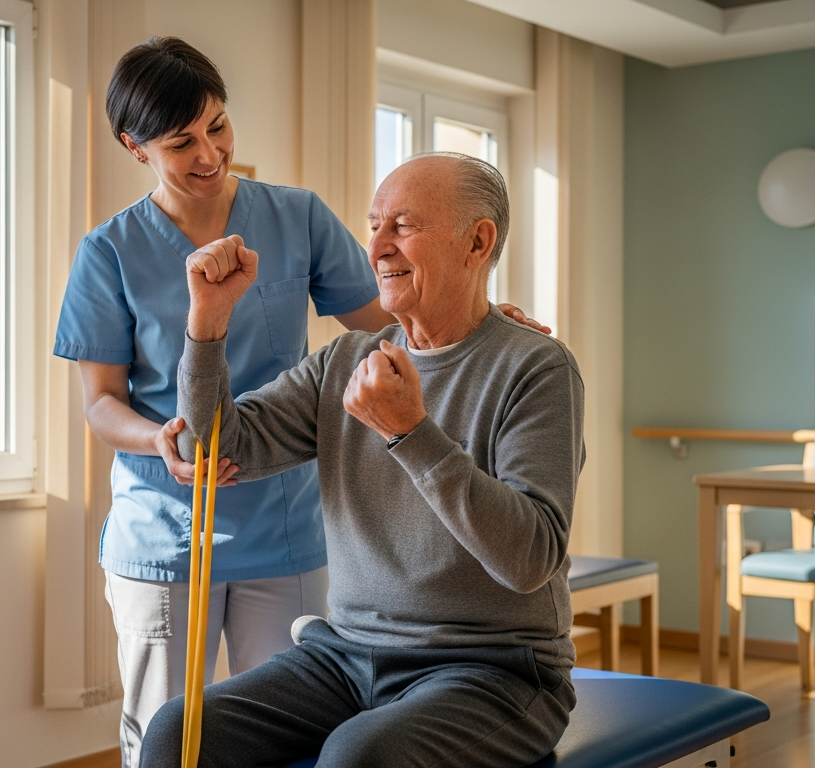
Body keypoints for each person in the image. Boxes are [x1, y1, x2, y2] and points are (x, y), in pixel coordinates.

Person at [52, 38, 547, 767]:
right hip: (168, 524)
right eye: (182, 141)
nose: (210, 152)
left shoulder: (296, 218)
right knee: (166, 738)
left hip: (284, 523)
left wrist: (479, 314)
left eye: (218, 126)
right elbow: (99, 403)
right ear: (136, 147)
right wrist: (162, 439)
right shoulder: (110, 251)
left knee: (286, 741)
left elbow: (391, 323)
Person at [141, 152, 584, 768]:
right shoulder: (346, 361)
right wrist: (207, 325)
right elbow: (210, 448)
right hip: (345, 657)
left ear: (477, 242)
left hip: (493, 670)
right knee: (175, 732)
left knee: (359, 757)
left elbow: (529, 558)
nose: (375, 245)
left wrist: (412, 433)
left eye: (402, 225)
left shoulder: (537, 368)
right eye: (374, 224)